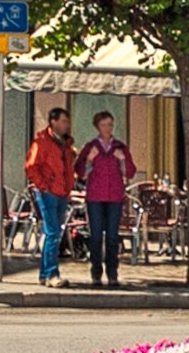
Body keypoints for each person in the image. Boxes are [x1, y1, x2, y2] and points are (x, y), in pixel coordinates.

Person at [75, 110, 135, 287]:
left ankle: (112, 273)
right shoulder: (90, 147)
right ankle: (96, 272)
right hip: (95, 197)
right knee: (95, 236)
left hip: (115, 197)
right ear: (97, 127)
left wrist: (123, 160)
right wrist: (90, 160)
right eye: (103, 125)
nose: (107, 128)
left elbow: (130, 172)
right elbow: (81, 174)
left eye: (110, 124)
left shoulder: (120, 147)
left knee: (112, 237)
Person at [23, 107, 77, 286]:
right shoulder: (42, 142)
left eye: (67, 122)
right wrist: (44, 186)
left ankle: (44, 275)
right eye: (63, 121)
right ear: (53, 122)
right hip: (48, 192)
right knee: (53, 232)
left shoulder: (66, 144)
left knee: (54, 232)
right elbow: (32, 167)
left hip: (62, 191)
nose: (66, 125)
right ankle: (52, 274)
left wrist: (68, 186)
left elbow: (68, 167)